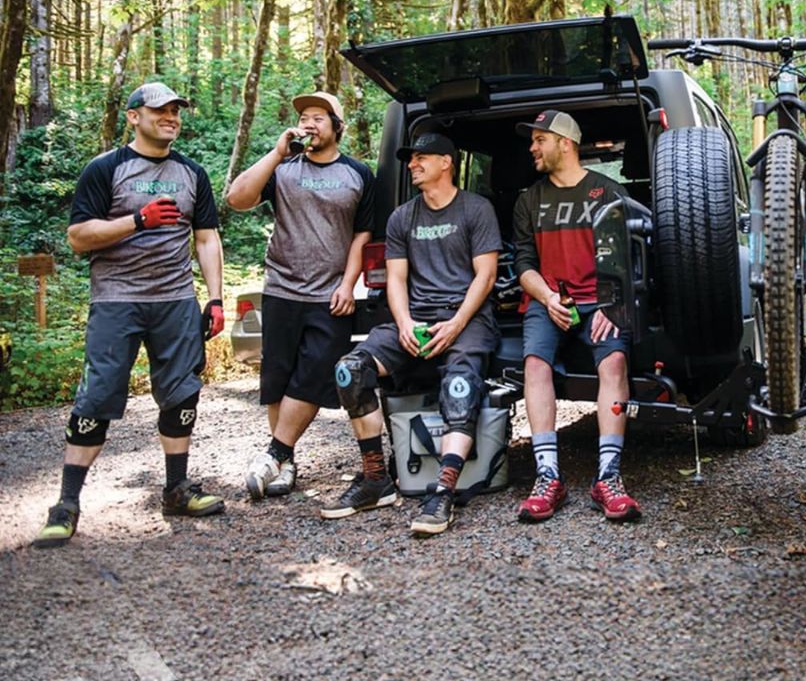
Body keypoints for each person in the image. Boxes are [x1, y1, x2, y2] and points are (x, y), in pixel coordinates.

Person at [33, 82, 226, 548]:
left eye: (176, 110)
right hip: (116, 299)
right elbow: (79, 236)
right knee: (97, 396)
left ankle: (177, 490)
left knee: (182, 393)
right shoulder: (105, 169)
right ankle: (66, 504)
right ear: (134, 116)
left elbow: (206, 238)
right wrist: (137, 220)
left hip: (175, 300)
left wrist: (215, 299)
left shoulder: (191, 173)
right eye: (161, 110)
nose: (171, 118)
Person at [327, 132, 500, 535]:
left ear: (446, 162)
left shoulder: (476, 209)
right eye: (411, 159)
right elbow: (396, 280)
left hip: (467, 319)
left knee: (459, 386)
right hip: (417, 319)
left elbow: (486, 275)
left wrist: (456, 323)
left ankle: (442, 492)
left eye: (422, 157)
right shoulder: (403, 216)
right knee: (349, 372)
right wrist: (404, 324)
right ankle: (375, 479)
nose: (413, 164)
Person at [226, 92, 374, 499]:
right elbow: (236, 198)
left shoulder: (357, 174)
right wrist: (275, 154)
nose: (309, 124)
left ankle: (275, 452)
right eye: (304, 117)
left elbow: (363, 234)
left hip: (330, 295)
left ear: (337, 127)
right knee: (278, 379)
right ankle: (285, 463)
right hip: (282, 289)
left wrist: (348, 283)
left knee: (311, 377)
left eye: (319, 118)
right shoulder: (284, 169)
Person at [511, 109, 641, 523]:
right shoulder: (529, 199)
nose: (532, 147)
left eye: (539, 140)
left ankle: (609, 477)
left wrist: (612, 303)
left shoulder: (608, 193)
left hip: (600, 300)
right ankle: (548, 476)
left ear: (564, 143)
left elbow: (627, 259)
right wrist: (548, 297)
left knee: (615, 362)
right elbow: (524, 264)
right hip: (550, 301)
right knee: (535, 365)